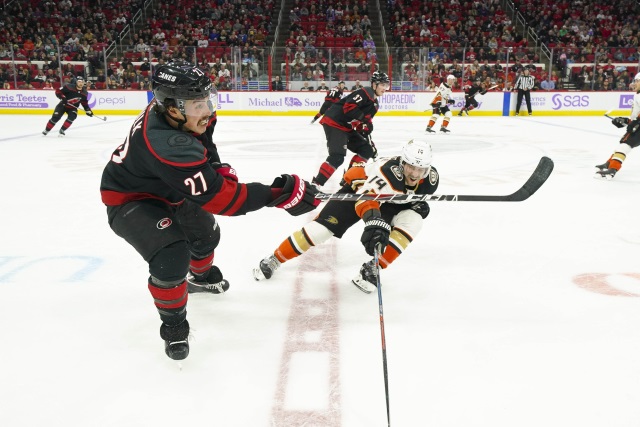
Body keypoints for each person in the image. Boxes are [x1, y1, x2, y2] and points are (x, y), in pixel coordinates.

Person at [99, 60, 320, 360]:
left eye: (208, 99)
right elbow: (225, 200)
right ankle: (174, 326)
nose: (208, 110)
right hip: (131, 199)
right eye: (198, 104)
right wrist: (279, 193)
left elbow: (204, 142)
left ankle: (200, 278)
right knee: (172, 256)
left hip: (168, 186)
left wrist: (214, 166)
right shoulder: (167, 142)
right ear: (173, 108)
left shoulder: (183, 116)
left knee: (205, 235)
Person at [253, 139, 439, 293]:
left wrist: (414, 205)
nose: (415, 174)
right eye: (411, 167)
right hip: (359, 190)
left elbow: (404, 196)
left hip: (387, 198)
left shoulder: (430, 180)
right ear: (402, 163)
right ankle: (275, 258)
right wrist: (373, 220)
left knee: (413, 220)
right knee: (320, 231)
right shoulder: (388, 172)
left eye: (421, 169)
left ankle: (373, 268)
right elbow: (365, 199)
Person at [311, 71, 390, 187]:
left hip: (346, 127)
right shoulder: (364, 93)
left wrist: (369, 137)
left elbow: (362, 126)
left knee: (367, 150)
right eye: (382, 85)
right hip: (335, 122)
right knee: (337, 156)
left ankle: (348, 178)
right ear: (374, 84)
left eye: (386, 85)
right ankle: (316, 184)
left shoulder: (375, 105)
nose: (385, 88)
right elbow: (349, 107)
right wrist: (363, 120)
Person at [595, 73, 640, 179]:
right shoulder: (638, 95)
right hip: (637, 124)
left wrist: (635, 122)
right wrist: (624, 121)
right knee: (623, 144)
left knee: (624, 146)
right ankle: (610, 163)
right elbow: (635, 116)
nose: (635, 83)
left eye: (637, 81)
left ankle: (613, 168)